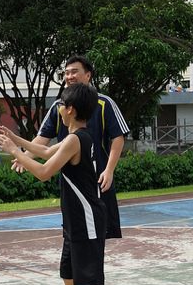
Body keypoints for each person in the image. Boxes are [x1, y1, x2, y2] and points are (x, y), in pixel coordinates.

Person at [0, 83, 126, 285]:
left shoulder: (75, 140)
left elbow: (43, 172)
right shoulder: (77, 137)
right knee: (68, 273)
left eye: (62, 104)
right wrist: (15, 139)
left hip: (86, 220)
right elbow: (44, 151)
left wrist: (13, 152)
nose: (58, 108)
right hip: (76, 219)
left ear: (71, 110)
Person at [17, 55, 130, 241]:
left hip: (97, 179)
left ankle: (89, 268)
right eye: (66, 73)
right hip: (71, 182)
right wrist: (24, 156)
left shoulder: (104, 103)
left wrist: (109, 170)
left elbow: (117, 138)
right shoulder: (59, 107)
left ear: (88, 75)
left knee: (97, 233)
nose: (69, 76)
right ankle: (77, 268)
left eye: (74, 72)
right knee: (74, 232)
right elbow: (43, 138)